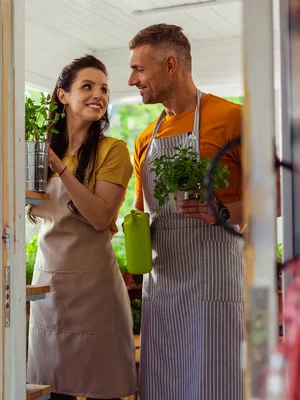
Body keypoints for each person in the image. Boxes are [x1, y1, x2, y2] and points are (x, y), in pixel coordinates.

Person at [127, 24, 245, 399]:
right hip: (162, 286)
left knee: (214, 382)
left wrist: (222, 210)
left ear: (171, 64)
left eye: (139, 69)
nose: (132, 80)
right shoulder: (145, 138)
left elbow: (276, 193)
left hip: (215, 282)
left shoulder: (233, 118)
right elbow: (140, 210)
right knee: (164, 385)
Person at [27, 54, 137, 400]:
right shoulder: (37, 152)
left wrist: (60, 169)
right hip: (48, 286)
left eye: (104, 88)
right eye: (87, 86)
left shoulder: (112, 151)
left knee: (101, 389)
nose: (99, 95)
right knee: (51, 390)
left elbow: (101, 216)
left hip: (95, 292)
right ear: (63, 96)